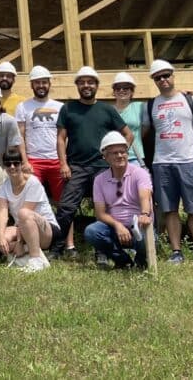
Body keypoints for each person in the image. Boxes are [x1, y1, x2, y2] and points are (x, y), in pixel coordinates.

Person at [53, 66, 133, 259]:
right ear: (77, 86)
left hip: (103, 168)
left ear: (96, 85)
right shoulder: (68, 108)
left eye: (90, 82)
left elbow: (128, 135)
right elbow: (60, 138)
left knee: (106, 209)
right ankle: (56, 249)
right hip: (76, 167)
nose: (86, 85)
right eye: (82, 82)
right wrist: (63, 164)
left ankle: (103, 251)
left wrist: (118, 157)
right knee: (66, 208)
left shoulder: (106, 109)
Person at [142, 59, 193, 266]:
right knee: (169, 209)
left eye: (166, 75)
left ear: (173, 76)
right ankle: (176, 252)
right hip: (161, 163)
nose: (163, 80)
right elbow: (142, 130)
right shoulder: (151, 104)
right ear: (154, 81)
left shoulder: (189, 100)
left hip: (188, 161)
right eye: (158, 77)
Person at [84, 132, 154, 269]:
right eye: (115, 153)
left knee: (145, 234)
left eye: (123, 152)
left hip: (138, 225)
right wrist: (118, 226)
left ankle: (141, 261)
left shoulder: (140, 173)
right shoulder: (99, 180)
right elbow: (100, 213)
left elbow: (145, 198)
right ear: (105, 156)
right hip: (114, 229)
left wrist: (145, 215)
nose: (120, 156)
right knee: (91, 231)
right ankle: (122, 260)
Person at [0, 150, 59, 272]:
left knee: (23, 213)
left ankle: (36, 260)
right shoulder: (3, 187)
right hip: (23, 227)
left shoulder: (33, 182)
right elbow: (3, 213)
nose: (12, 167)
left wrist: (19, 242)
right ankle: (27, 250)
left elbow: (25, 215)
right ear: (4, 166)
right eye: (8, 164)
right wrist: (2, 236)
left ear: (22, 164)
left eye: (16, 163)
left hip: (46, 229)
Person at [15, 66, 65, 204]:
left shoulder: (60, 107)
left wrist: (64, 162)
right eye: (37, 82)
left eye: (44, 82)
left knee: (64, 204)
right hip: (34, 161)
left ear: (49, 84)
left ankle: (65, 226)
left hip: (56, 160)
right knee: (32, 201)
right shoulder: (23, 107)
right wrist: (25, 162)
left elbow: (64, 136)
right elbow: (20, 136)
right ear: (32, 85)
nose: (41, 85)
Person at [111, 72, 146, 165]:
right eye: (118, 88)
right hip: (113, 158)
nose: (121, 90)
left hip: (135, 157)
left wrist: (180, 93)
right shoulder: (108, 110)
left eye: (126, 88)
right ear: (114, 92)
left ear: (132, 91)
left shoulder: (140, 107)